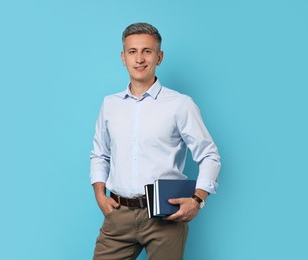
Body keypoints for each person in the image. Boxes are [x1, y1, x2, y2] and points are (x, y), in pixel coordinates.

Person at [90, 22, 221, 260]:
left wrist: (197, 200)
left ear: (159, 57)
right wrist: (100, 193)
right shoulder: (110, 104)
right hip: (118, 216)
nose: (139, 59)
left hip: (165, 217)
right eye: (133, 51)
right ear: (123, 57)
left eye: (147, 51)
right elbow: (100, 154)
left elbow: (209, 155)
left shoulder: (180, 104)